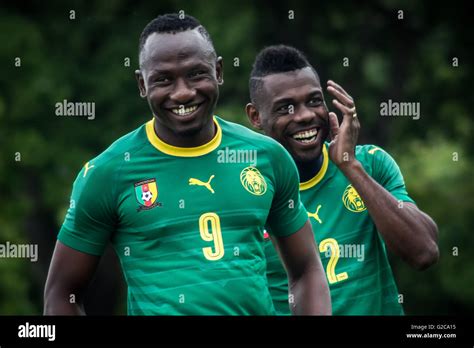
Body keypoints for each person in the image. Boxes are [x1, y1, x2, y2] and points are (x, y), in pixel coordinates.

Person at [44, 15, 331, 315]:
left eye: (196, 74)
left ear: (218, 71)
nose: (182, 92)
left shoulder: (267, 157)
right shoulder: (108, 173)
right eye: (164, 79)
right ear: (142, 84)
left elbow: (306, 271)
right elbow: (62, 293)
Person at [246, 45, 439, 315]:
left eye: (314, 101)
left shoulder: (371, 163)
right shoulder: (246, 189)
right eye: (286, 108)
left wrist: (350, 166)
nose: (305, 116)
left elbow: (424, 252)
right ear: (256, 116)